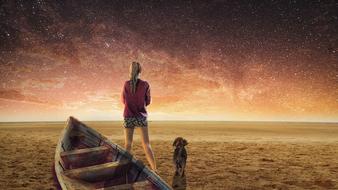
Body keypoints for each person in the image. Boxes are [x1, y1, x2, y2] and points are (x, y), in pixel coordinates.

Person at [121, 61, 157, 171]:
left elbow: (123, 100)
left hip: (128, 116)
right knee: (146, 144)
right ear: (140, 71)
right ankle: (154, 169)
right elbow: (148, 101)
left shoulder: (126, 84)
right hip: (141, 116)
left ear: (130, 71)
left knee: (128, 145)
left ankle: (124, 169)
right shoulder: (145, 84)